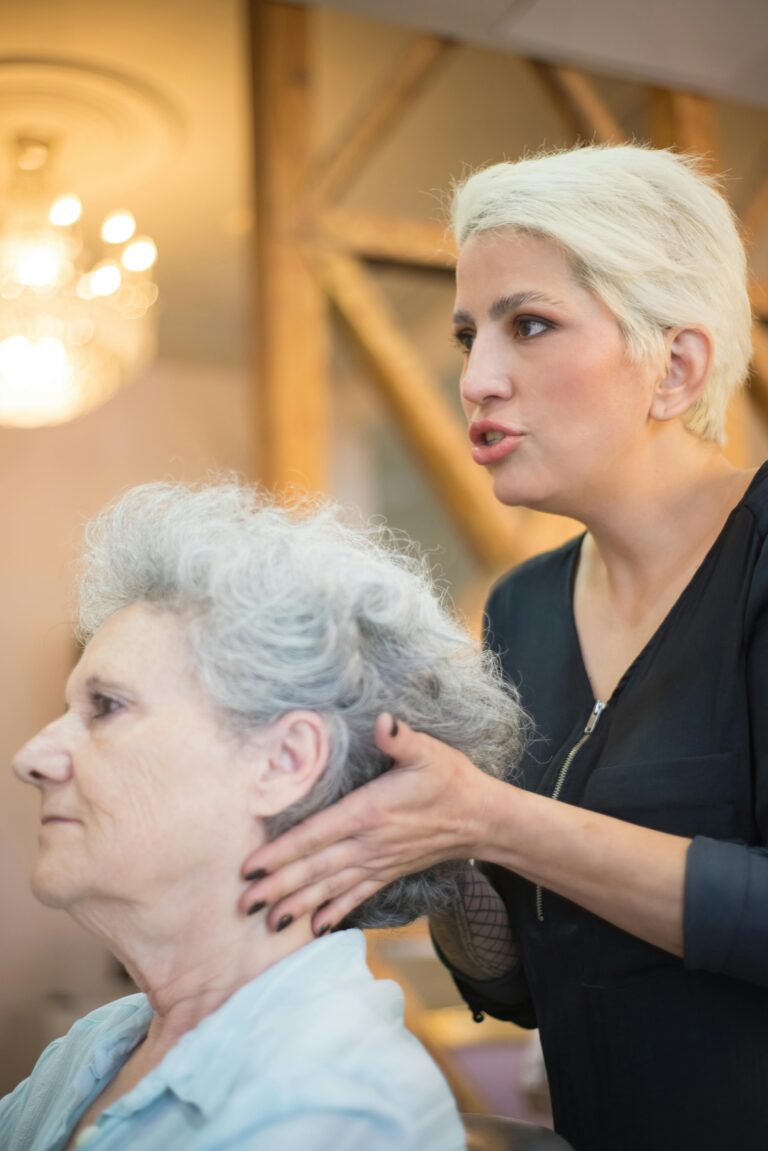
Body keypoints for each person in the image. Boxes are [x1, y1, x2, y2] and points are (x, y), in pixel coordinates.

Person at [238, 145, 768, 1151]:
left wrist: (495, 814)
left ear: (677, 363)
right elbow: (523, 980)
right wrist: (429, 831)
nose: (476, 378)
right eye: (469, 333)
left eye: (530, 325)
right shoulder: (523, 608)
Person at [1, 481, 526, 1151]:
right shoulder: (94, 1049)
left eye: (106, 707)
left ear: (284, 762)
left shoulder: (334, 1108)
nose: (34, 756)